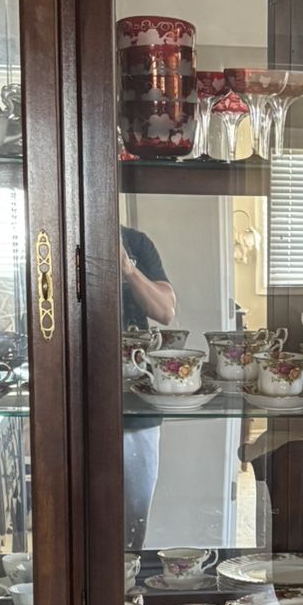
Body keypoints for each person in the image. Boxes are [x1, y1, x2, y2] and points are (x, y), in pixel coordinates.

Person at [121, 224, 176, 549]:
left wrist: (128, 268)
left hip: (135, 407)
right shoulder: (59, 233)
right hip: (72, 403)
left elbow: (165, 311)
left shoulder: (137, 243)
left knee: (133, 522)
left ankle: (125, 593)